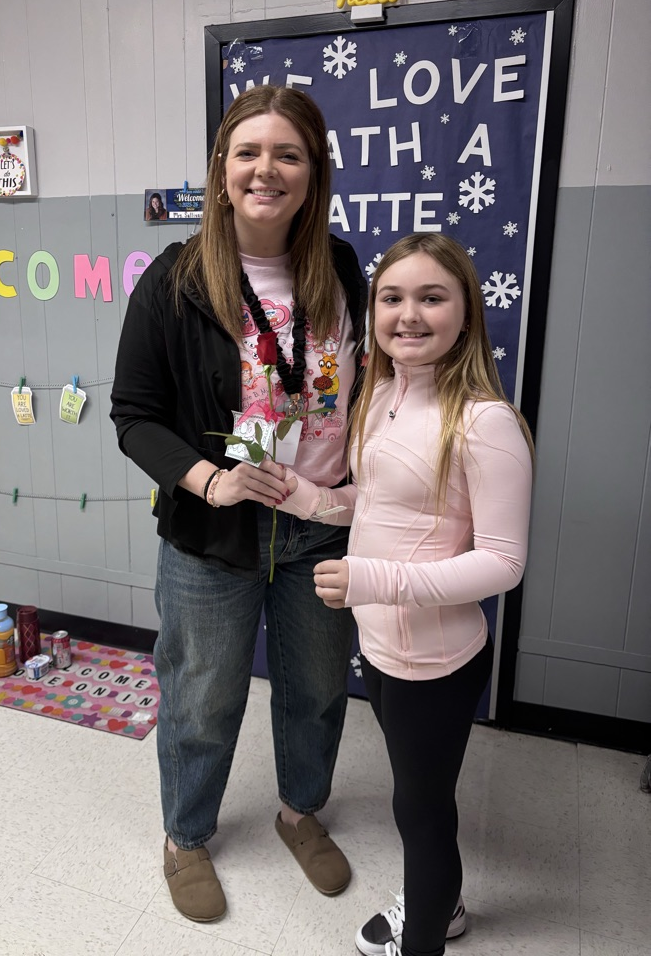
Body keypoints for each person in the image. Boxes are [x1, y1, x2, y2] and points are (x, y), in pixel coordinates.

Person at [110, 85, 367, 923]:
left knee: (318, 687)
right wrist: (209, 479)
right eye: (248, 152)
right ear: (221, 169)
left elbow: (363, 388)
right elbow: (134, 414)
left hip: (320, 526)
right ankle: (186, 836)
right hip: (213, 533)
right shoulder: (175, 280)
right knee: (203, 695)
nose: (267, 170)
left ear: (314, 172)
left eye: (288, 154)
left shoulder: (342, 268)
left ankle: (300, 812)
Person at [278, 233, 534, 956]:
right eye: (392, 297)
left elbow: (504, 563)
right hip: (383, 648)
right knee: (419, 802)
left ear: (466, 311)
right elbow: (378, 502)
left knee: (420, 815)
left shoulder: (485, 422)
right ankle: (441, 907)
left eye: (431, 297)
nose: (409, 314)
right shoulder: (381, 395)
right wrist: (305, 497)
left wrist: (376, 580)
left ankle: (425, 938)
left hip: (437, 661)